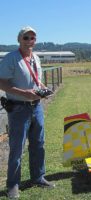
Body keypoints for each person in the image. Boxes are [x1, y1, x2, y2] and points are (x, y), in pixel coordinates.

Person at [0, 26, 55, 199]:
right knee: (17, 148)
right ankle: (13, 185)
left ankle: (38, 177)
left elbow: (37, 81)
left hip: (36, 107)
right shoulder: (11, 58)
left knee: (39, 144)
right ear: (19, 39)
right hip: (18, 108)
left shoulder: (36, 58)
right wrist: (24, 93)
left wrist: (43, 89)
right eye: (26, 38)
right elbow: (2, 83)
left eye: (33, 38)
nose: (30, 41)